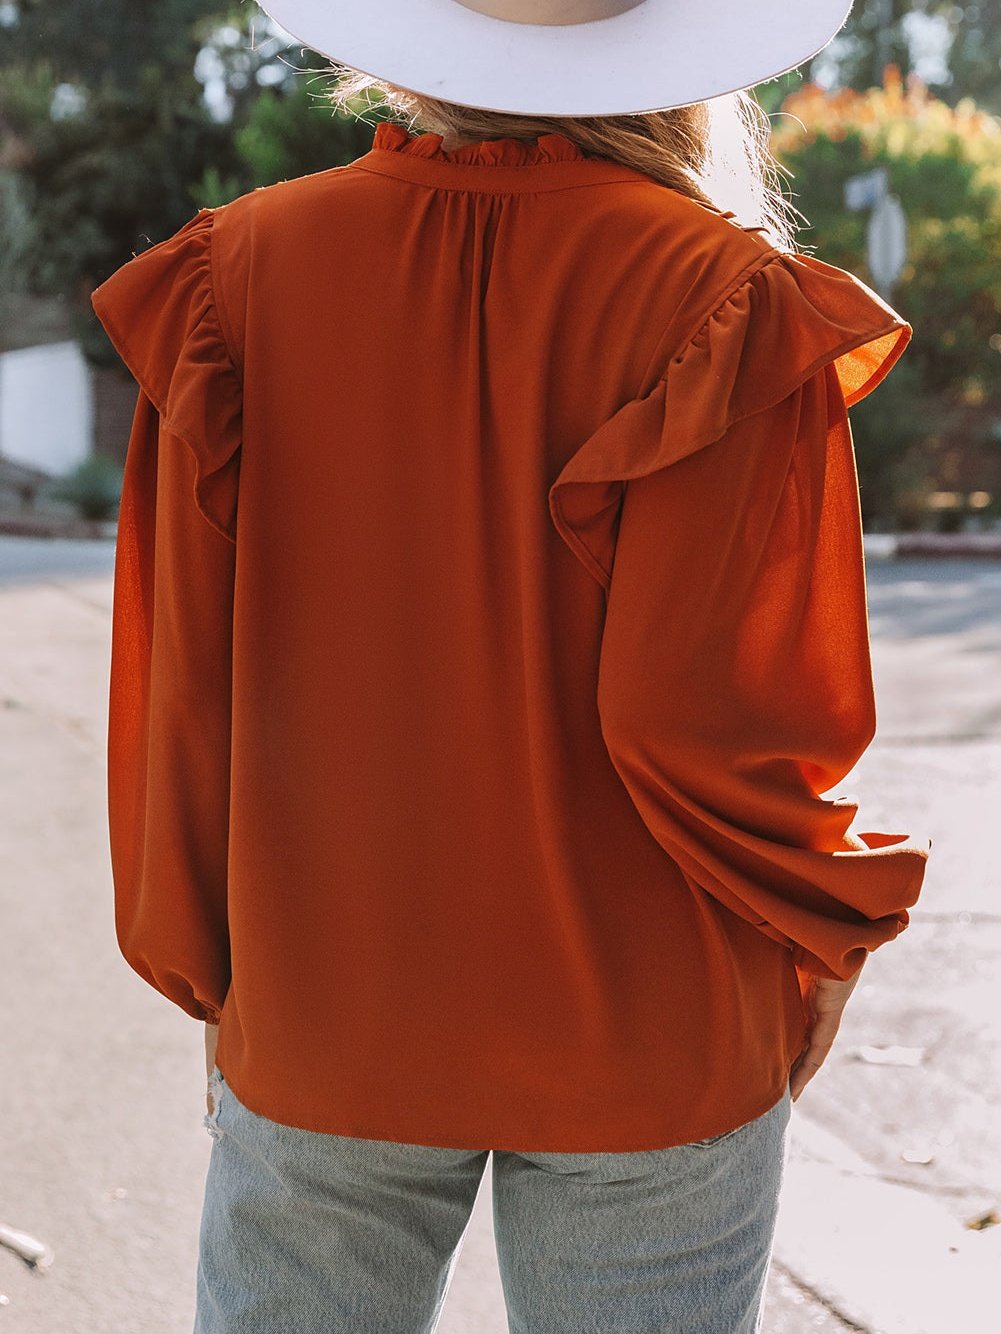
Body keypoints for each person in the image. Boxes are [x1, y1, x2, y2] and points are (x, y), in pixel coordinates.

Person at [90, 1, 932, 1330]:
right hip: (648, 1019)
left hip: (328, 1000)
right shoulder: (726, 301)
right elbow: (708, 714)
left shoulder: (234, 277)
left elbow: (187, 680)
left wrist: (217, 970)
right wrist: (823, 925)